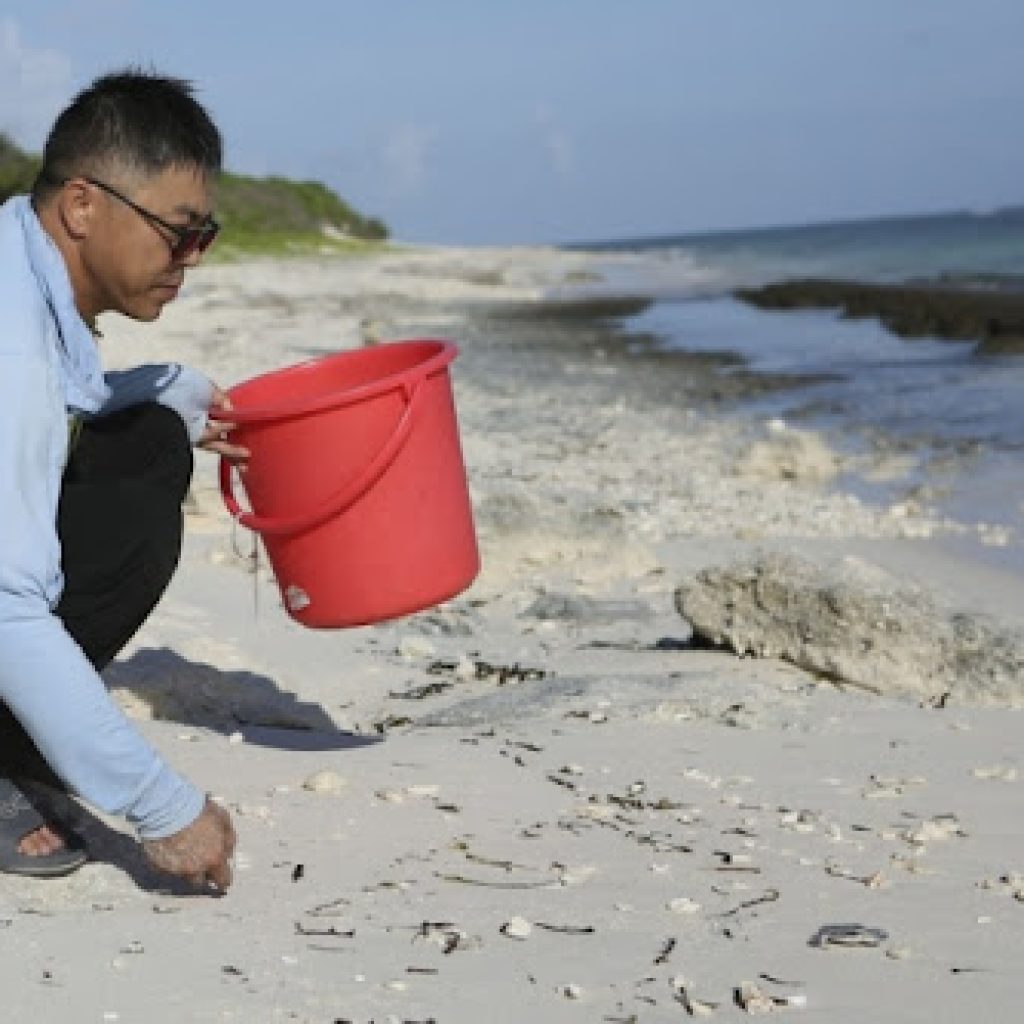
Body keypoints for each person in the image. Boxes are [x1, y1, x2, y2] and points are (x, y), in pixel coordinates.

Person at [0, 69, 247, 889]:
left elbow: (75, 396)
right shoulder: (14, 350)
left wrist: (172, 390)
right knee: (138, 488)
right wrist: (164, 809)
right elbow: (5, 605)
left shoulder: (17, 260)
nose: (191, 259)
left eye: (204, 235)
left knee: (146, 442)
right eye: (177, 231)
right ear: (81, 206)